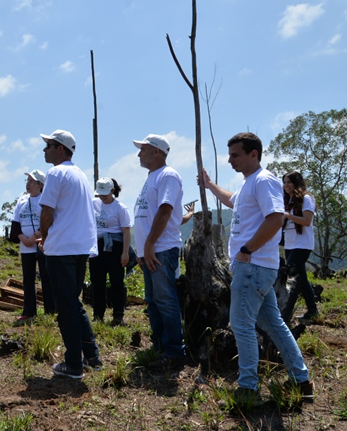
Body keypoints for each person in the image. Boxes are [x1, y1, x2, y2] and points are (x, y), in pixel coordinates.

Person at [201, 133, 312, 400]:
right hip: (255, 267)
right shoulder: (249, 184)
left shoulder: (264, 180)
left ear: (254, 154)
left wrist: (246, 250)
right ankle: (301, 381)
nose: (230, 160)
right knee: (273, 324)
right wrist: (210, 185)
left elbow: (275, 219)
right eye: (229, 155)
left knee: (241, 325)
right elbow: (232, 200)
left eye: (235, 155)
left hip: (253, 266)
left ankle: (248, 388)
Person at [38, 130, 101, 380]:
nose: (44, 150)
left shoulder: (56, 173)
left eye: (48, 145)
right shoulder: (80, 175)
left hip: (61, 248)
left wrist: (45, 237)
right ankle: (92, 357)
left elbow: (47, 212)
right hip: (80, 247)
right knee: (73, 303)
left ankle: (74, 364)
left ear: (60, 149)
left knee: (65, 307)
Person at [132, 134, 186, 372]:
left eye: (142, 149)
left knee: (165, 300)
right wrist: (143, 248)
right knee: (153, 301)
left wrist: (149, 245)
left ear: (156, 152)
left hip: (161, 249)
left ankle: (174, 352)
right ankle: (161, 347)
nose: (139, 154)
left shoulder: (168, 175)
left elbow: (165, 210)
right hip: (152, 250)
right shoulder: (152, 177)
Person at [12, 169, 54, 321]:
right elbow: (16, 222)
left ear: (40, 185)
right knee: (28, 279)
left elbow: (50, 220)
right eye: (27, 181)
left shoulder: (46, 200)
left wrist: (35, 236)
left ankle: (50, 311)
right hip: (26, 246)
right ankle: (29, 311)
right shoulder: (22, 200)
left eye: (32, 181)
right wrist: (22, 237)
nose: (28, 184)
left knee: (46, 277)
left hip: (42, 244)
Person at [89, 177, 131, 325]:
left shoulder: (120, 208)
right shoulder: (93, 204)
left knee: (117, 282)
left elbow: (126, 232)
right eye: (100, 194)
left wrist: (125, 253)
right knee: (97, 281)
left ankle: (118, 315)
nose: (102, 197)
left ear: (112, 191)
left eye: (105, 194)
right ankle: (98, 315)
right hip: (97, 246)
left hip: (115, 247)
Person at [281, 171, 319, 322]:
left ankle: (285, 314)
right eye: (284, 182)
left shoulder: (307, 199)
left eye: (289, 182)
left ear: (296, 183)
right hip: (290, 244)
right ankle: (312, 311)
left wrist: (288, 216)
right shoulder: (288, 201)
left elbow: (307, 221)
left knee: (290, 277)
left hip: (302, 245)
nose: (286, 185)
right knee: (301, 278)